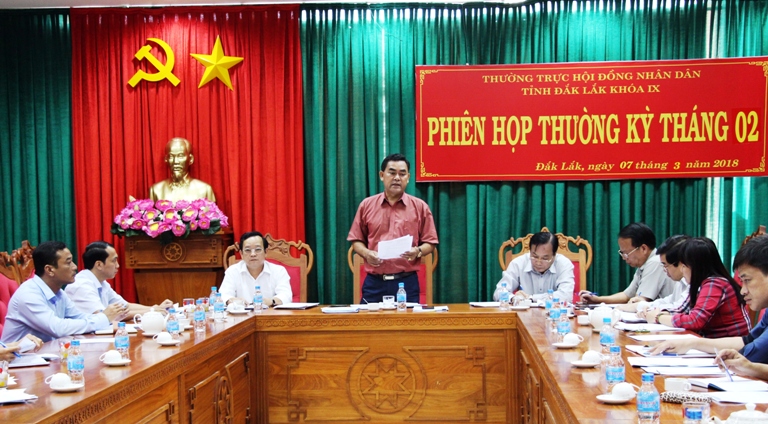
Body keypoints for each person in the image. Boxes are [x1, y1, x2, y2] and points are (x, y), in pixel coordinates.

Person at [650, 234, 768, 360]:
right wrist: (692, 343)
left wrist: (659, 317)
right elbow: (747, 341)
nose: (743, 291)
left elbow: (753, 352)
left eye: (747, 280)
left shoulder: (715, 284)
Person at [347, 153, 439, 303]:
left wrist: (417, 251)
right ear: (382, 175)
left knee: (408, 319)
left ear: (408, 178)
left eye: (402, 174)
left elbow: (431, 241)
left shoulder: (420, 207)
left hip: (406, 282)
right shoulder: (367, 205)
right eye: (392, 173)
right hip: (374, 283)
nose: (397, 178)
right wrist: (367, 253)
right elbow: (356, 239)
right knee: (368, 318)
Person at [1, 241, 126, 343]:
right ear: (50, 270)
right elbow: (58, 328)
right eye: (68, 262)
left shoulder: (59, 292)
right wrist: (103, 318)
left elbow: (80, 317)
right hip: (17, 361)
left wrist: (105, 319)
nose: (75, 267)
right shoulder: (28, 295)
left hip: (45, 356)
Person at [645, 237, 750, 338]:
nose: (681, 270)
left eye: (683, 266)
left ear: (696, 266)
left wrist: (658, 317)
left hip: (730, 346)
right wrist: (659, 313)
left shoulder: (715, 284)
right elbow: (682, 309)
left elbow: (694, 321)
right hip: (714, 342)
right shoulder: (701, 284)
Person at [66, 241, 172, 317]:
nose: (118, 265)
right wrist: (152, 311)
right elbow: (106, 316)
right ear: (99, 265)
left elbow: (125, 306)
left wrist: (156, 308)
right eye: (114, 261)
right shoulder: (82, 286)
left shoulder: (102, 283)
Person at [580, 222, 674, 304]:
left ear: (643, 249)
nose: (624, 258)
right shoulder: (643, 264)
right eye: (622, 253)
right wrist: (597, 299)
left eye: (626, 253)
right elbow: (626, 295)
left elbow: (638, 301)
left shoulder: (655, 262)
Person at [492, 231, 574, 302]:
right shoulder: (518, 263)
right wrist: (513, 298)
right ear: (530, 251)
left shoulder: (564, 264)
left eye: (545, 258)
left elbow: (566, 296)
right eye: (534, 256)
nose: (538, 262)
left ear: (554, 255)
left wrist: (531, 298)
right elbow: (498, 292)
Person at [616, 235, 689, 313]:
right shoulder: (680, 282)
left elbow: (678, 309)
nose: (664, 270)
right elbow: (668, 301)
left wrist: (654, 313)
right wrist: (642, 305)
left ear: (681, 264)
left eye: (666, 265)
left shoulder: (694, 285)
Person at [220, 231, 292, 307]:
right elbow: (223, 295)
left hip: (270, 313)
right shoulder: (232, 271)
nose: (253, 254)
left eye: (257, 249)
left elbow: (286, 295)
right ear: (241, 254)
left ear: (266, 252)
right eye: (248, 250)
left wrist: (271, 301)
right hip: (242, 314)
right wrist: (232, 300)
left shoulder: (279, 271)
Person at [149, 137, 216, 202]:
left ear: (191, 159)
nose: (175, 162)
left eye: (180, 156)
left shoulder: (204, 190)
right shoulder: (155, 190)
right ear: (166, 159)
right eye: (171, 156)